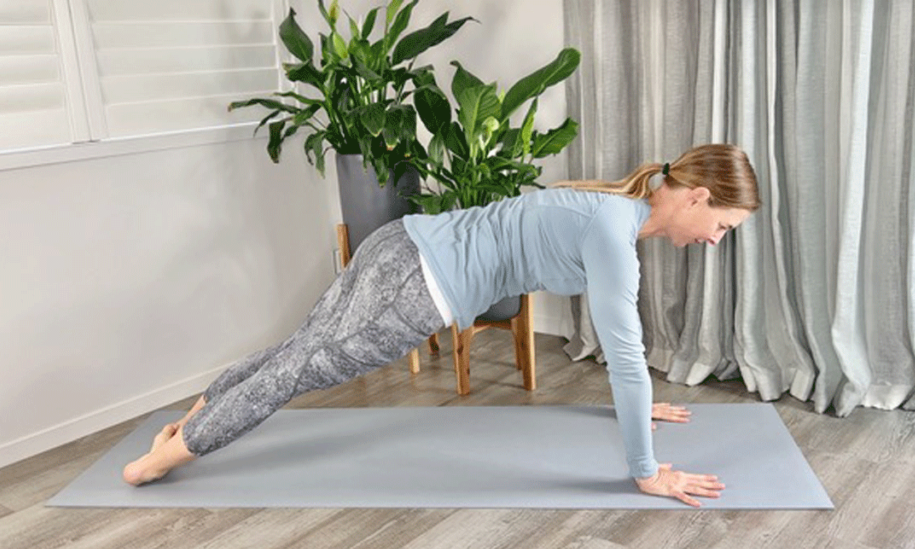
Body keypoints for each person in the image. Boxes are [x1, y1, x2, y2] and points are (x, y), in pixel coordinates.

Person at [123, 143, 760, 508]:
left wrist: (640, 405)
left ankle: (196, 415)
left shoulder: (610, 209)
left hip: (399, 243)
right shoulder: (613, 235)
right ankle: (155, 465)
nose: (714, 240)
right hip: (416, 288)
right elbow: (626, 358)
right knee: (299, 372)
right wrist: (647, 472)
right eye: (722, 226)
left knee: (298, 353)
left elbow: (625, 359)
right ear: (698, 196)